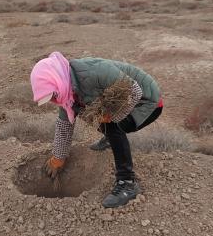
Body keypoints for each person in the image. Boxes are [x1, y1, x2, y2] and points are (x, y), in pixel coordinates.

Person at [30, 52, 163, 208]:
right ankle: (110, 139)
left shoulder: (94, 72)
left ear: (56, 80)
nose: (54, 100)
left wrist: (112, 116)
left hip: (147, 103)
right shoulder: (66, 89)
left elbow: (135, 92)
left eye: (53, 95)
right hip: (126, 102)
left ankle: (127, 183)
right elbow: (64, 125)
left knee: (112, 125)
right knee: (87, 111)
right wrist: (58, 157)